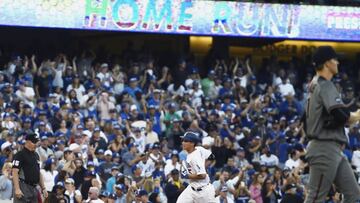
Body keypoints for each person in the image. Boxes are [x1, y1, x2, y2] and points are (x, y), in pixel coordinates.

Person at [304, 46, 360, 203]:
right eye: (335, 59)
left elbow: (309, 120)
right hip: (324, 148)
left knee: (354, 195)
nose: (337, 62)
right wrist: (357, 115)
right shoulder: (325, 85)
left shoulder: (314, 85)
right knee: (315, 198)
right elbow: (342, 116)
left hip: (332, 148)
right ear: (327, 63)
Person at [176, 131, 216, 203]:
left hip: (204, 192)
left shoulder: (194, 158)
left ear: (192, 143)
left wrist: (187, 176)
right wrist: (203, 167)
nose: (183, 143)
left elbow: (202, 175)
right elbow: (211, 156)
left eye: (186, 141)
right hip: (191, 189)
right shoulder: (199, 148)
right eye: (183, 141)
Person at [12, 133, 48, 202]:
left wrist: (43, 188)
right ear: (27, 142)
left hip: (34, 187)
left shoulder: (36, 155)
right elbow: (14, 171)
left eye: (36, 142)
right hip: (23, 186)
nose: (36, 144)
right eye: (34, 142)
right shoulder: (20, 154)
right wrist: (17, 189)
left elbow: (38, 172)